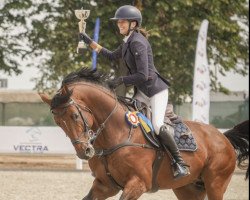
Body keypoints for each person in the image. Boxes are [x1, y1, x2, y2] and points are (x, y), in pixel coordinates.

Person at [79, 5, 189, 179]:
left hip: (155, 91)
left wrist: (120, 80)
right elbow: (111, 55)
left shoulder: (138, 42)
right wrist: (89, 42)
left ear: (133, 23)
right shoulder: (128, 40)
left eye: (122, 22)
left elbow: (144, 75)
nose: (119, 24)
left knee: (158, 125)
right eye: (118, 22)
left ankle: (180, 163)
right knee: (125, 116)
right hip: (142, 92)